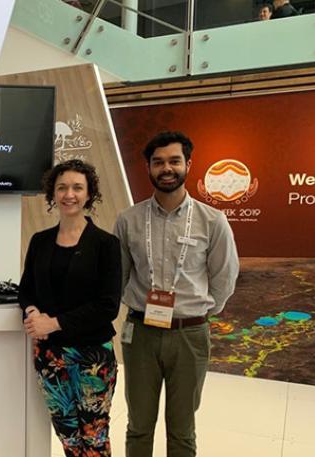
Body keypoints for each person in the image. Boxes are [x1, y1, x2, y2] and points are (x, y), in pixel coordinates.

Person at [114, 131, 239, 457]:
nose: (166, 168)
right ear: (149, 168)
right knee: (138, 425)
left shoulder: (212, 220)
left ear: (188, 164)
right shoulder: (128, 220)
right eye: (158, 162)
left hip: (190, 334)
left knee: (182, 430)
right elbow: (119, 276)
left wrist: (201, 312)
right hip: (140, 333)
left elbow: (224, 277)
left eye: (174, 161)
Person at [19, 159, 122, 457]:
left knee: (94, 436)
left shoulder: (106, 244)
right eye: (62, 187)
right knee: (67, 434)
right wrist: (32, 312)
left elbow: (108, 305)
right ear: (53, 193)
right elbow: (26, 291)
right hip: (50, 357)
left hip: (92, 357)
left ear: (89, 194)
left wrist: (55, 323)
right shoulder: (40, 242)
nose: (69, 194)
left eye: (78, 187)